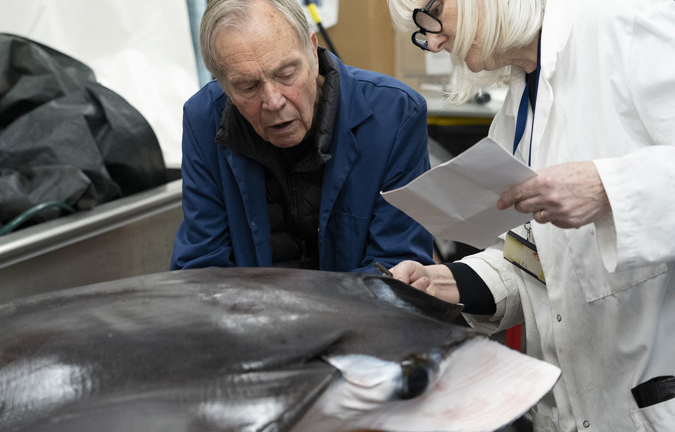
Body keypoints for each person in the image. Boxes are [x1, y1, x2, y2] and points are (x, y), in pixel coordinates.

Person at [387, 0, 675, 430]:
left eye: (431, 12)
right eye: (419, 29)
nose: (431, 42)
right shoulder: (520, 104)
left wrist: (606, 189)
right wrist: (455, 283)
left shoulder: (628, 23)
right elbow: (545, 258)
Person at [171, 0, 435, 272]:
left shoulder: (394, 115)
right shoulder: (204, 119)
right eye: (247, 86)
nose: (273, 102)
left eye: (286, 74)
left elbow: (398, 268)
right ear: (221, 82)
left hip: (358, 313)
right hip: (251, 313)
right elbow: (200, 269)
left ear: (312, 47)